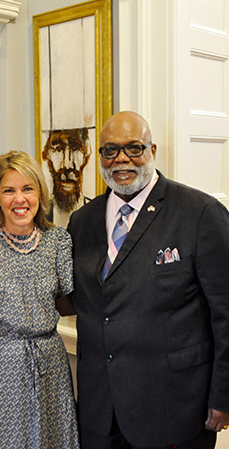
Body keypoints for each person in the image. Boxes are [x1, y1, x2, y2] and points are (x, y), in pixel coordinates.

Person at [67, 111, 229, 449]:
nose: (121, 159)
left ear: (152, 150)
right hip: (101, 411)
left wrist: (224, 395)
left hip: (174, 407)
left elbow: (226, 312)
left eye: (134, 148)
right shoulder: (82, 222)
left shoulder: (200, 213)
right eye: (110, 150)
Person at [0, 150, 80, 448]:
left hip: (50, 362)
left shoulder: (59, 241)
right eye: (9, 190)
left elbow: (68, 303)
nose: (20, 199)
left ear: (40, 193)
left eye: (28, 189)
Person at [42, 128, 92, 226]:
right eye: (58, 149)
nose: (67, 164)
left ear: (86, 157)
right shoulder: (38, 216)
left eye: (75, 149)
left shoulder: (97, 214)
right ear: (47, 156)